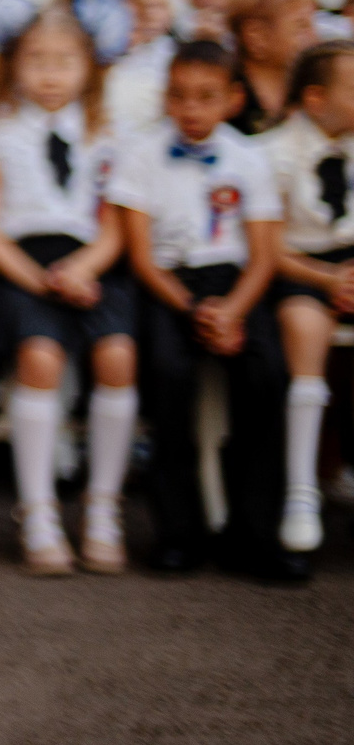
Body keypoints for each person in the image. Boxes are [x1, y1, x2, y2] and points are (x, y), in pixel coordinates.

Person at [0, 0, 142, 575]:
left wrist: (84, 269)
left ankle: (101, 508)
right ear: (14, 65)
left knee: (117, 355)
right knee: (39, 358)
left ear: (89, 66)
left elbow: (118, 224)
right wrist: (37, 277)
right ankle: (38, 509)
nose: (49, 73)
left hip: (92, 261)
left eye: (64, 60)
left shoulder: (107, 133)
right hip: (24, 264)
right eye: (36, 60)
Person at [111, 41, 293, 580]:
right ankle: (178, 532)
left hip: (236, 284)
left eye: (206, 97)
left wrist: (232, 311)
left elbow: (263, 256)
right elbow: (141, 257)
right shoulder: (141, 155)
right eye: (179, 96)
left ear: (233, 100)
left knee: (267, 376)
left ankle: (255, 534)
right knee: (168, 374)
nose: (191, 109)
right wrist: (193, 309)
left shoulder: (249, 158)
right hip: (170, 284)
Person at [263, 40, 354, 559]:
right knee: (304, 327)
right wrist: (326, 280)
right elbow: (270, 246)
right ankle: (302, 489)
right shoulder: (276, 152)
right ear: (316, 99)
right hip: (300, 266)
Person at [228, 0, 319, 137]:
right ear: (256, 35)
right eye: (301, 27)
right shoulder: (226, 96)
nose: (314, 38)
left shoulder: (312, 92)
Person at [108, 0, 178, 136]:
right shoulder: (103, 55)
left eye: (159, 2)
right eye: (139, 0)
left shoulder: (176, 56)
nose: (150, 11)